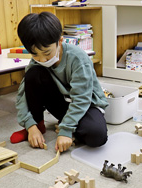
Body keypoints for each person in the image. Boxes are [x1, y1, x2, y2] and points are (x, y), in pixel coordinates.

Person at [10, 12, 108, 152]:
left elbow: (82, 99)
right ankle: (39, 125)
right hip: (62, 103)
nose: (42, 59)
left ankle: (69, 126)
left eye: (47, 53)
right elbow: (22, 96)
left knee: (97, 136)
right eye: (35, 54)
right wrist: (30, 126)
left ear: (60, 41)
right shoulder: (36, 62)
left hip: (87, 105)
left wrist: (66, 130)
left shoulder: (77, 58)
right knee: (33, 74)